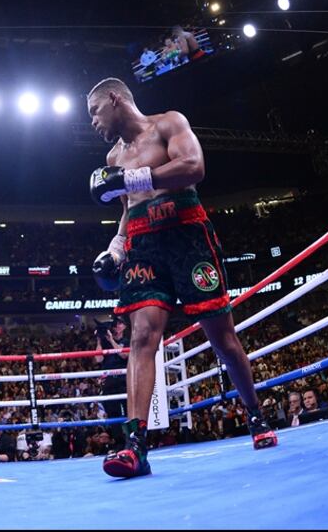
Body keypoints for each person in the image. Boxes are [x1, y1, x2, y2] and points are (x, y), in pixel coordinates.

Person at [86, 77, 277, 479]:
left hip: (187, 235)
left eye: (94, 111)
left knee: (221, 337)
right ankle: (135, 446)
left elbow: (194, 167)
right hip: (143, 245)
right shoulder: (111, 160)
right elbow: (127, 208)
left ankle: (256, 415)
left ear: (115, 99)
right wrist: (114, 249)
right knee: (141, 337)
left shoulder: (168, 124)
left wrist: (134, 178)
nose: (92, 122)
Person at [92, 317, 129, 439]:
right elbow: (98, 359)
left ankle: (131, 440)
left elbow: (124, 355)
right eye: (115, 324)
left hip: (123, 381)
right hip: (109, 382)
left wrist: (112, 340)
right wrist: (99, 341)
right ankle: (119, 441)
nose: (116, 326)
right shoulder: (104, 343)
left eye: (119, 323)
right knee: (113, 414)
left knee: (128, 412)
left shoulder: (127, 341)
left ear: (124, 326)